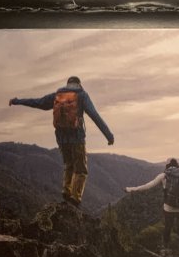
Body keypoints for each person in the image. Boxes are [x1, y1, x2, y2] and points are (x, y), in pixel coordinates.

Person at [9, 76, 114, 207]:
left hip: (61, 138)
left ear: (68, 84)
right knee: (80, 169)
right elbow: (94, 115)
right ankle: (75, 198)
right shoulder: (82, 95)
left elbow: (38, 102)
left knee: (69, 164)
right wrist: (109, 136)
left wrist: (17, 101)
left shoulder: (58, 95)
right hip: (77, 138)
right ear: (79, 84)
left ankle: (66, 191)